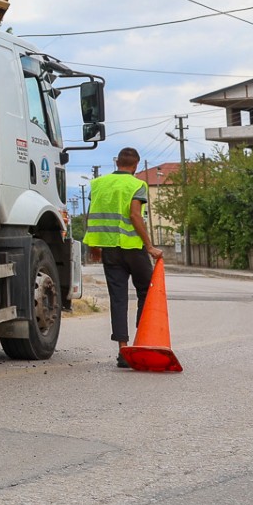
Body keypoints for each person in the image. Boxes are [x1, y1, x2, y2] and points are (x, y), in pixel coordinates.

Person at [85, 147, 157, 366]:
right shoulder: (137, 185)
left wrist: (94, 246)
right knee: (147, 290)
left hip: (109, 249)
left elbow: (92, 214)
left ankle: (123, 351)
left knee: (118, 298)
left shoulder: (97, 184)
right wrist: (150, 246)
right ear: (136, 165)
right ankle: (140, 342)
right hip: (133, 248)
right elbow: (135, 215)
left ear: (117, 162)